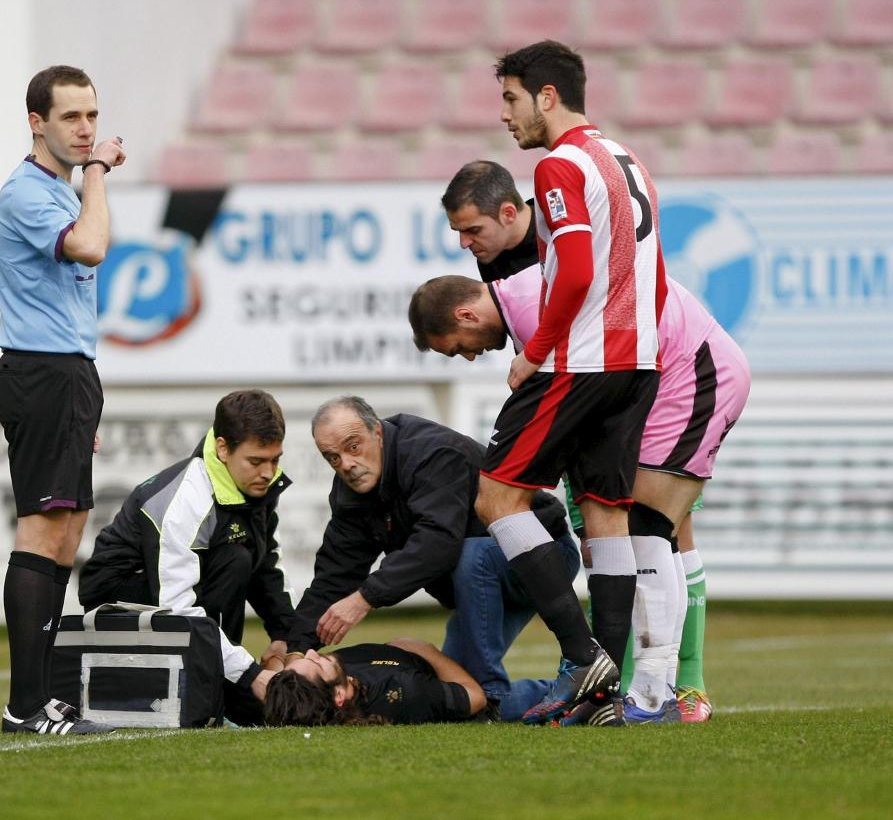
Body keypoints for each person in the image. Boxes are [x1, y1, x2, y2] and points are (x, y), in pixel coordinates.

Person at [412, 161, 751, 723]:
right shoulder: (518, 284)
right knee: (619, 526)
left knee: (649, 529)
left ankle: (666, 687)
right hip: (655, 372)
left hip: (689, 371)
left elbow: (595, 315)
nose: (471, 356)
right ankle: (626, 687)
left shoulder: (542, 277)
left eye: (460, 346)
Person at [469, 40, 669, 725]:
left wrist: (537, 352)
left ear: (547, 97)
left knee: (497, 496)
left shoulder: (559, 165)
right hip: (638, 358)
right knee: (606, 513)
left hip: (581, 360)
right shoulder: (627, 159)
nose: (505, 114)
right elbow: (655, 273)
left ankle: (585, 656)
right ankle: (605, 700)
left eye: (511, 98)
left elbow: (578, 270)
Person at [286, 396, 579, 722]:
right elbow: (333, 576)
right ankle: (575, 699)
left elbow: (438, 543)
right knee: (453, 692)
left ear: (378, 433)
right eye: (332, 458)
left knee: (472, 556)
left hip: (541, 559)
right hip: (481, 580)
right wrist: (293, 648)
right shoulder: (351, 492)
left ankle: (492, 701)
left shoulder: (432, 452)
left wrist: (365, 597)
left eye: (353, 447)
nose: (345, 464)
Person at [0, 65, 126, 735]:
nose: (85, 130)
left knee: (67, 533)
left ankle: (40, 700)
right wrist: (98, 172)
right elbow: (93, 246)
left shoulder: (61, 191)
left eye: (93, 117)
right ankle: (24, 706)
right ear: (36, 122)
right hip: (42, 373)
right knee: (42, 531)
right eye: (71, 117)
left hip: (69, 372)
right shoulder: (29, 193)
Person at [78, 389, 294, 724]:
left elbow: (264, 565)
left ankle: (219, 687)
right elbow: (175, 608)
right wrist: (251, 674)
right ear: (223, 448)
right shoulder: (185, 500)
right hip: (118, 604)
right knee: (233, 558)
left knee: (238, 556)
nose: (268, 472)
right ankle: (214, 691)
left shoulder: (255, 485)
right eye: (256, 461)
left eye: (275, 459)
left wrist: (284, 636)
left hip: (168, 599)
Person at [264, 639, 487, 726]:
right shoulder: (404, 691)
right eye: (317, 663)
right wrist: (425, 650)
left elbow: (281, 691)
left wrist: (275, 661)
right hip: (454, 678)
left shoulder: (298, 701)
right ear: (338, 695)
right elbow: (476, 698)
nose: (312, 651)